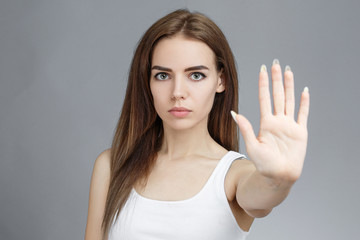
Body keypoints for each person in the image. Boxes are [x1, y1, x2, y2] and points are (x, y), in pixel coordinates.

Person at [84, 9, 310, 240]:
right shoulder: (112, 166)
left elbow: (261, 197)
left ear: (220, 80)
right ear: (147, 82)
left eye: (196, 75)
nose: (178, 92)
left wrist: (279, 180)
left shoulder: (233, 175)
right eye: (163, 75)